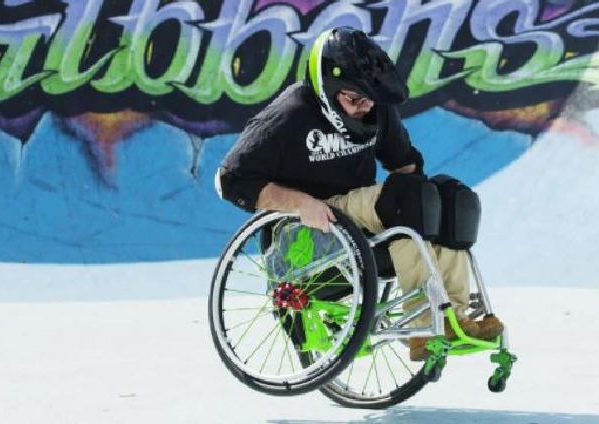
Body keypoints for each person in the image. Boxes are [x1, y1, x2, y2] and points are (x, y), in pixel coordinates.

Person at [214, 26, 503, 361]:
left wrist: (430, 208)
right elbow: (229, 181)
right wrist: (301, 203)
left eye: (369, 100)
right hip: (303, 231)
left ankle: (454, 316)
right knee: (408, 196)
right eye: (353, 99)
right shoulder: (290, 115)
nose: (363, 108)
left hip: (357, 219)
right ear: (327, 87)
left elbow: (405, 164)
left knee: (454, 200)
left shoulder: (374, 110)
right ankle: (425, 325)